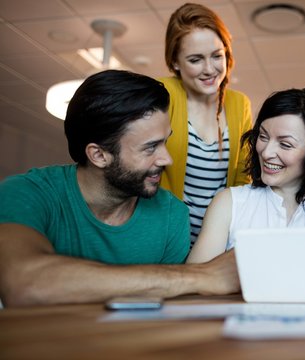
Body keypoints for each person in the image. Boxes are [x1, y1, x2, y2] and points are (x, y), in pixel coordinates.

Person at [0, 70, 239, 308]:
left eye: (165, 141)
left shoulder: (171, 214)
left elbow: (168, 314)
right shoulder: (25, 194)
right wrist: (202, 276)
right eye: (150, 147)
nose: (166, 159)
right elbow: (24, 284)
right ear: (99, 155)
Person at [187, 88, 305, 263]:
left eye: (285, 144)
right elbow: (194, 279)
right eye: (263, 136)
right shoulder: (229, 203)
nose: (267, 152)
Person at [159, 3, 252, 245]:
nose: (209, 69)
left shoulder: (239, 104)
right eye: (195, 59)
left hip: (218, 242)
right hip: (166, 240)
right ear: (175, 62)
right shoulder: (162, 94)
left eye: (216, 56)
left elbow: (244, 179)